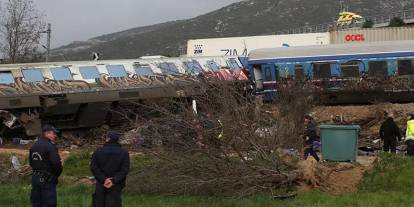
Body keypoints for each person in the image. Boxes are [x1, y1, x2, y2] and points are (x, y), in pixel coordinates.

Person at [91, 131, 130, 207]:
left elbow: (94, 167)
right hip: (116, 184)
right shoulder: (124, 152)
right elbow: (125, 170)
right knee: (114, 203)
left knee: (99, 202)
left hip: (101, 183)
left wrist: (103, 179)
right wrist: (113, 180)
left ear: (108, 139)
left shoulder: (98, 151)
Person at [29, 125, 62, 207]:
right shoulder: (50, 146)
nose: (55, 135)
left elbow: (31, 162)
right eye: (54, 133)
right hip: (47, 179)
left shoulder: (34, 145)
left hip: (35, 178)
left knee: (36, 203)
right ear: (47, 134)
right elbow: (56, 164)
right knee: (50, 204)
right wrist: (55, 175)